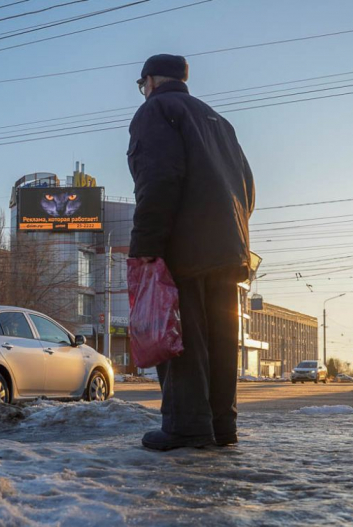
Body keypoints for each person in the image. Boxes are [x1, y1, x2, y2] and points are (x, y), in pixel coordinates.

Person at [127, 54, 255, 451]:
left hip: (184, 245)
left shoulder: (156, 110)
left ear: (149, 81)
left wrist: (146, 244)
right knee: (220, 339)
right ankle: (222, 427)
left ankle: (187, 428)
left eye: (141, 84)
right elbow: (247, 187)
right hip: (229, 246)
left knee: (180, 334)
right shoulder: (218, 120)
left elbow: (159, 177)